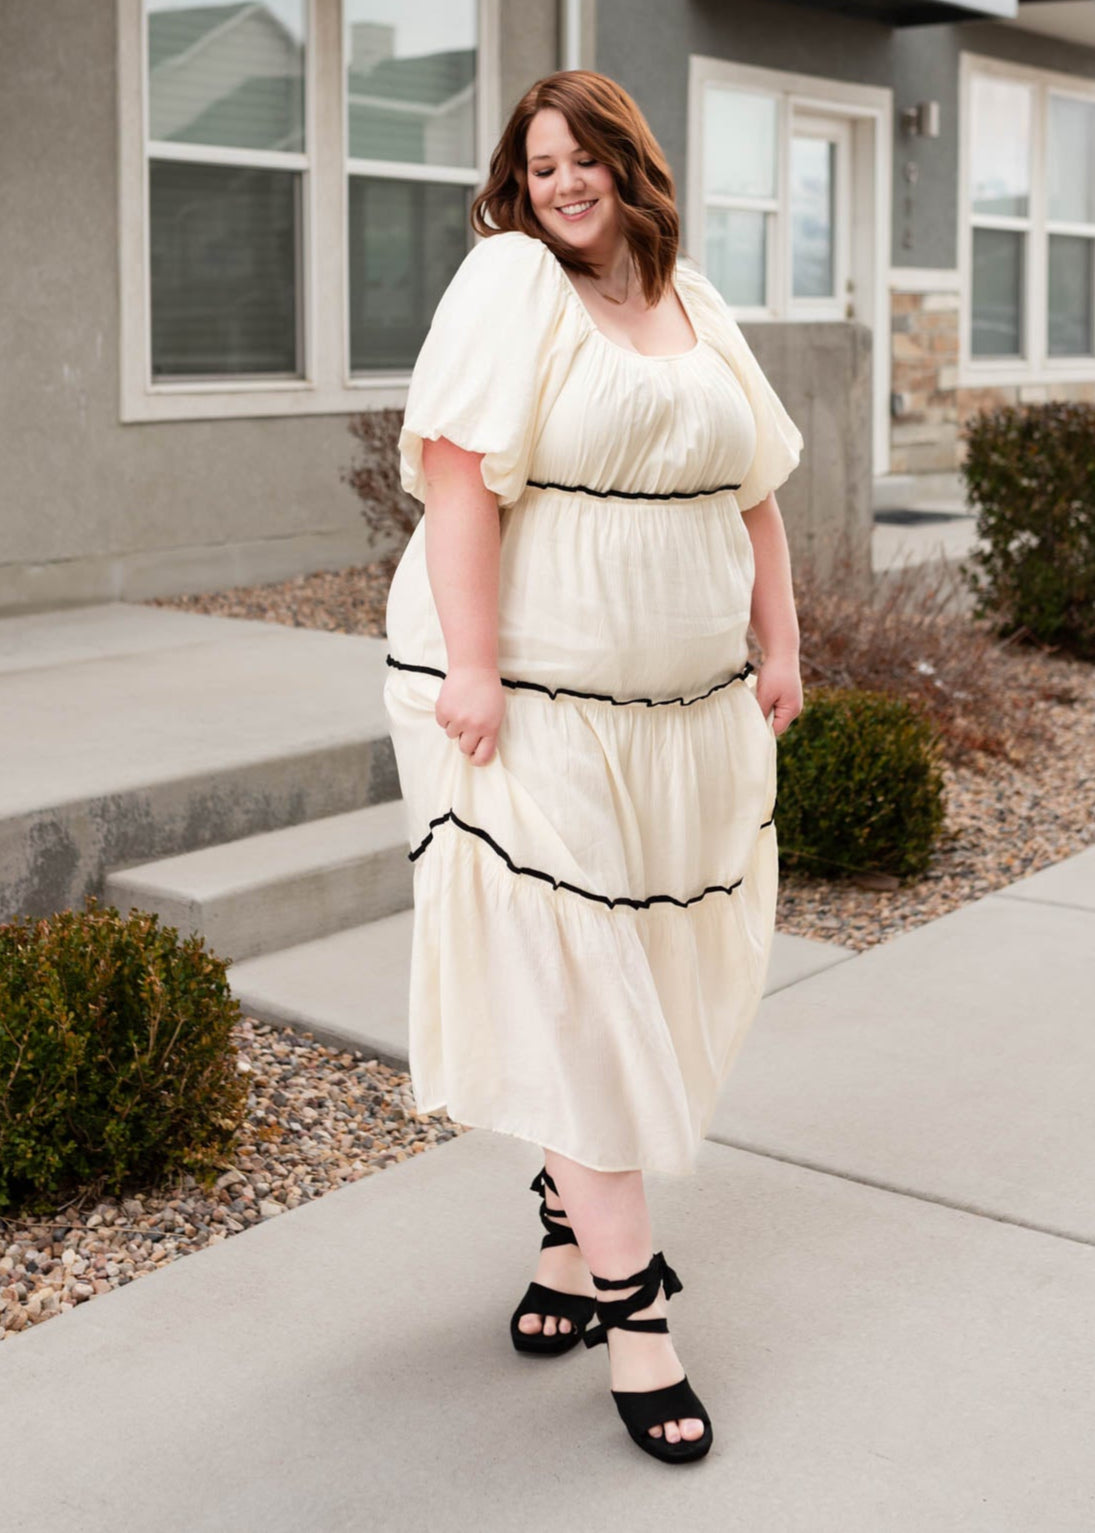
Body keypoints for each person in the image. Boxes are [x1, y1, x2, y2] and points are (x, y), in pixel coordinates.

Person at [382, 69, 804, 1464]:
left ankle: (567, 1241)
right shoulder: (511, 284)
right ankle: (638, 1312)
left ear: (631, 164)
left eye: (584, 159)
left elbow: (757, 496)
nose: (562, 181)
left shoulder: (696, 302)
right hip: (530, 702)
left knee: (655, 975)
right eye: (540, 161)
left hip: (685, 713)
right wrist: (475, 667)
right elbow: (455, 480)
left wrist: (779, 647)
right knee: (583, 984)